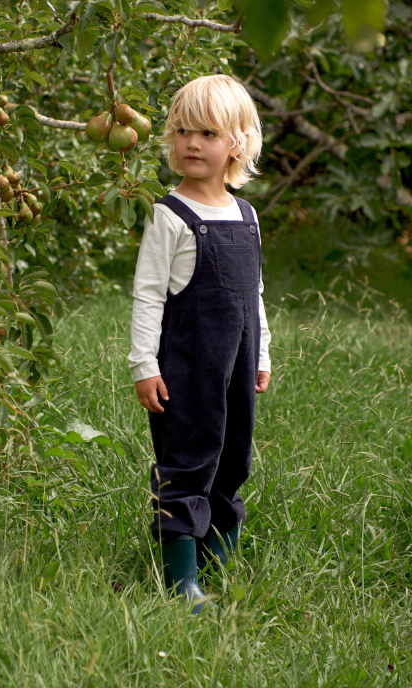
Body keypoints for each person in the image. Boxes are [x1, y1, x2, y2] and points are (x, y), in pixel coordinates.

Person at [128, 74, 272, 614]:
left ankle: (216, 564)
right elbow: (147, 297)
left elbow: (254, 295)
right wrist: (145, 364)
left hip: (235, 366)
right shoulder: (170, 216)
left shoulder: (247, 215)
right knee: (187, 460)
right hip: (186, 368)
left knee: (232, 459)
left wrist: (260, 354)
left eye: (208, 132)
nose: (192, 143)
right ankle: (181, 582)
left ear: (238, 142)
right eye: (183, 130)